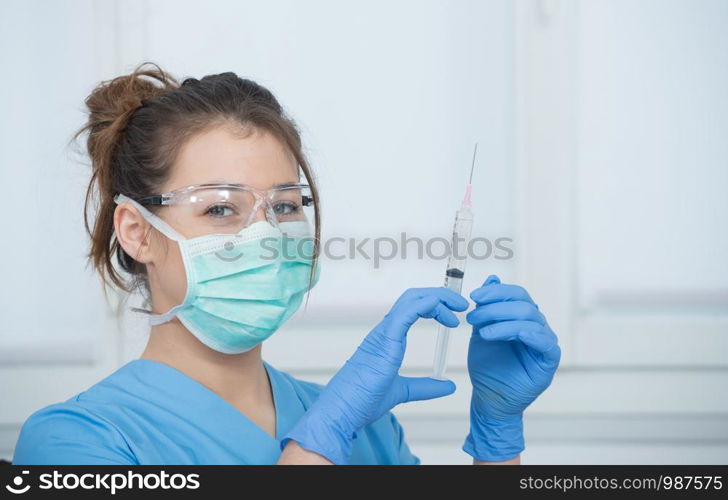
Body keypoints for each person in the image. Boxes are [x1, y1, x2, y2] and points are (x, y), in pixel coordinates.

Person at [12, 62, 560, 465]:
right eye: (221, 208)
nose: (267, 237)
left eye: (284, 206)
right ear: (137, 233)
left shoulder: (367, 427)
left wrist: (497, 439)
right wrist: (320, 440)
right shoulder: (78, 440)